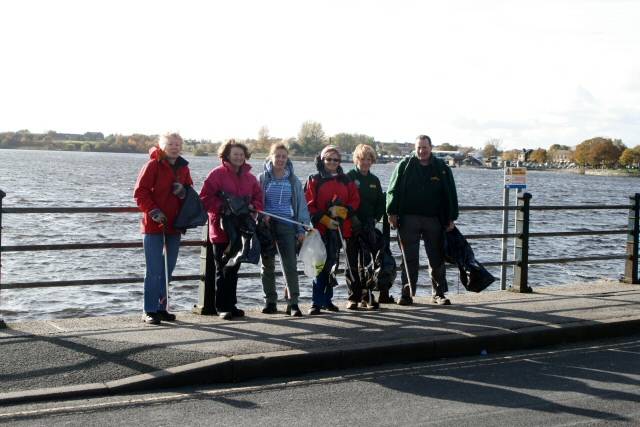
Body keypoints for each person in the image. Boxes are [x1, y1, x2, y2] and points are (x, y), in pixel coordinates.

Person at [386, 134, 459, 306]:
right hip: (408, 218)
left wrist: (451, 217)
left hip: (434, 219)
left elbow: (451, 193)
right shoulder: (404, 165)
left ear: (431, 148)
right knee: (408, 258)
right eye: (418, 147)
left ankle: (438, 293)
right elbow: (392, 190)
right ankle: (406, 293)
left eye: (425, 147)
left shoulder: (441, 167)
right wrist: (391, 212)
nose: (421, 151)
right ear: (415, 148)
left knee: (436, 257)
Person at [200, 139, 263, 320]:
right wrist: (223, 207)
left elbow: (259, 198)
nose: (238, 157)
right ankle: (222, 306)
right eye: (235, 154)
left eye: (241, 154)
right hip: (221, 230)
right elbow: (204, 198)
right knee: (223, 267)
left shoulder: (250, 178)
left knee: (234, 267)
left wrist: (252, 206)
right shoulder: (216, 174)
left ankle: (231, 304)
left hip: (242, 229)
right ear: (227, 155)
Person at [134, 132, 193, 325]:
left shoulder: (184, 168)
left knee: (169, 268)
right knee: (154, 270)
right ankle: (149, 310)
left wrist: (183, 192)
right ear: (161, 146)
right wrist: (152, 211)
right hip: (154, 225)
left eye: (177, 144)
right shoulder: (152, 165)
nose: (174, 147)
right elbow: (140, 192)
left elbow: (190, 192)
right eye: (170, 144)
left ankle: (161, 307)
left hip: (175, 226)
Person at [305, 145, 360, 315]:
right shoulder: (314, 179)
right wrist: (323, 219)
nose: (332, 162)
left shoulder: (346, 180)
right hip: (320, 229)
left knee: (333, 264)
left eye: (336, 159)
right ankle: (316, 302)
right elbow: (308, 204)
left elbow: (355, 200)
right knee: (319, 264)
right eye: (328, 159)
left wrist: (343, 211)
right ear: (322, 160)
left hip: (339, 228)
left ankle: (327, 300)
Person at [258, 143, 310, 317]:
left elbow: (301, 206)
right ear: (271, 157)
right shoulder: (262, 179)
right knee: (267, 265)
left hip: (287, 224)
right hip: (266, 225)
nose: (280, 159)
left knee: (290, 265)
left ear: (287, 159)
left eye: (283, 156)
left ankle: (293, 303)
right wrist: (260, 217)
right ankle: (270, 301)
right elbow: (256, 202)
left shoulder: (293, 180)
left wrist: (302, 229)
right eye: (277, 156)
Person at [346, 144, 386, 309]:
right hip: (351, 226)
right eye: (362, 159)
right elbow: (344, 199)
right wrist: (352, 218)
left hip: (368, 227)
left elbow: (380, 202)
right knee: (351, 262)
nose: (365, 162)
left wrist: (375, 218)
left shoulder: (374, 180)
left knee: (368, 262)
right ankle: (352, 297)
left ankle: (367, 295)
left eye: (369, 159)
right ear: (357, 159)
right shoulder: (349, 176)